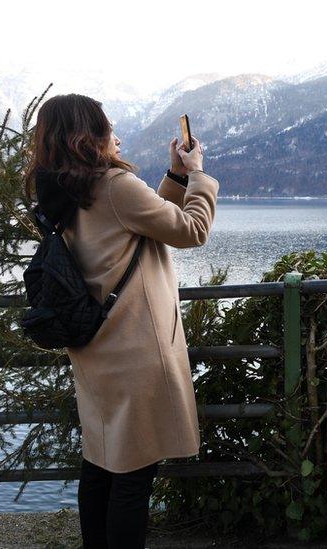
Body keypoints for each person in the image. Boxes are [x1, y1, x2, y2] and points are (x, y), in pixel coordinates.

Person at [23, 94, 219, 548]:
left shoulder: (62, 191)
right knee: (134, 477)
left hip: (95, 350)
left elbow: (143, 222)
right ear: (88, 136)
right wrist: (198, 176)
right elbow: (191, 230)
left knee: (102, 465)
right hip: (137, 353)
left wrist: (172, 176)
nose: (116, 134)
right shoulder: (112, 185)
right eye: (108, 126)